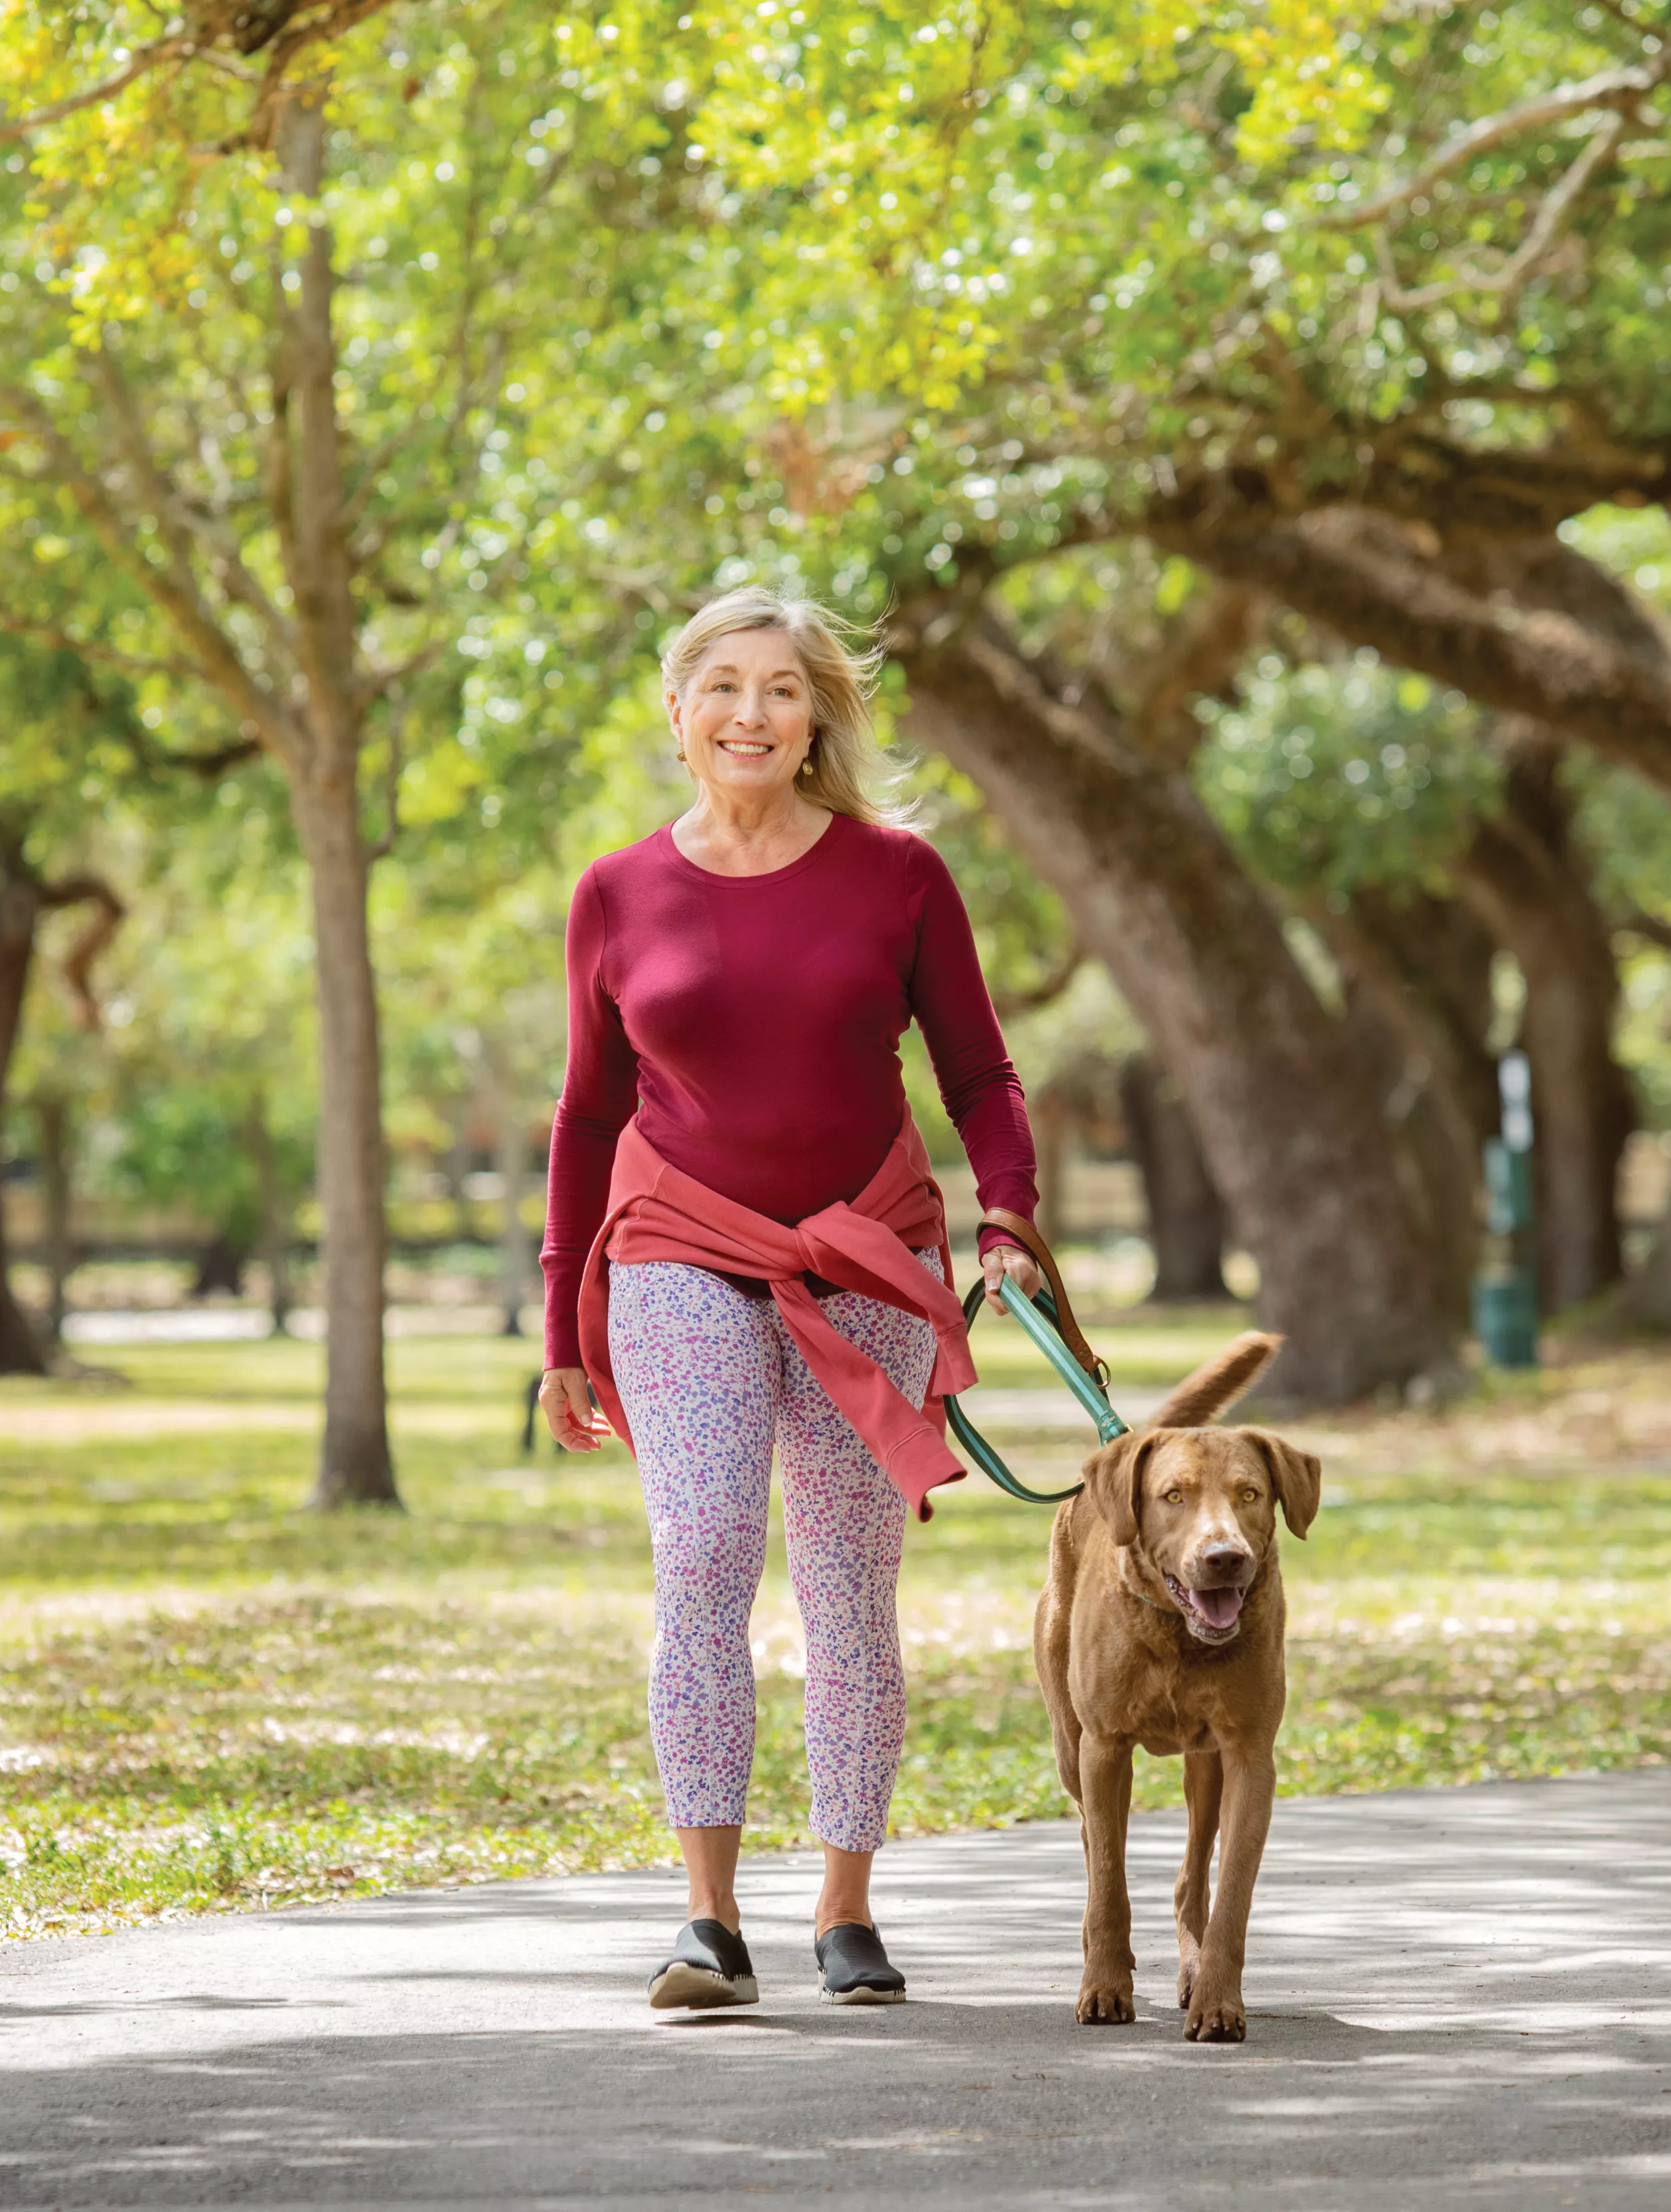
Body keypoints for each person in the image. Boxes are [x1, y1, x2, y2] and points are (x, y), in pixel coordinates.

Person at [536, 586, 1047, 2011]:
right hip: (675, 1248)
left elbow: (979, 1073)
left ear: (817, 712)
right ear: (680, 711)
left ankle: (844, 1905)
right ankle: (706, 1919)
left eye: (778, 688)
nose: (749, 712)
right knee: (701, 1555)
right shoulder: (616, 891)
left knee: (845, 1582)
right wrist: (554, 1328)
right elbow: (585, 1119)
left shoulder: (898, 875)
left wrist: (1006, 1212)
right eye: (723, 687)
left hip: (863, 1245)